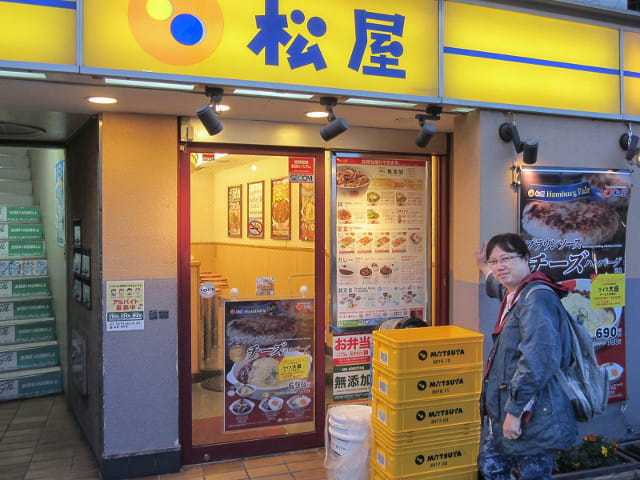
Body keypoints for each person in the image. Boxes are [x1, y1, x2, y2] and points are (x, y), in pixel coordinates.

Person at [475, 233, 577, 480]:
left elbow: (537, 360)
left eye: (507, 258)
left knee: (529, 474)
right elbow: (500, 289)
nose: (500, 266)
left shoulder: (537, 299)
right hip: (510, 408)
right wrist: (482, 268)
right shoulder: (516, 294)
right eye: (494, 261)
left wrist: (515, 412)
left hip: (534, 413)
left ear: (526, 258)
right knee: (491, 466)